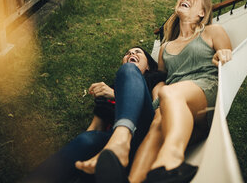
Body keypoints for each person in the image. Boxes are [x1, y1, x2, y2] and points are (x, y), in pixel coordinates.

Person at [124, 0, 232, 183]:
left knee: (171, 94)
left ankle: (172, 160)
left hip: (204, 95)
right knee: (157, 122)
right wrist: (157, 87)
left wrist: (223, 54)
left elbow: (227, 59)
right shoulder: (165, 48)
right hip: (175, 112)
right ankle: (136, 179)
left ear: (202, 12)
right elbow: (161, 78)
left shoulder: (212, 32)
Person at [21, 47, 166, 183]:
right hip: (110, 146)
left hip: (144, 135)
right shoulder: (108, 89)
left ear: (148, 66)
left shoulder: (154, 80)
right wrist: (84, 150)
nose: (131, 54)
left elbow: (158, 110)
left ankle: (121, 141)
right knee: (86, 139)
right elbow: (96, 127)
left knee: (129, 70)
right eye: (127, 53)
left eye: (137, 52)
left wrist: (115, 95)